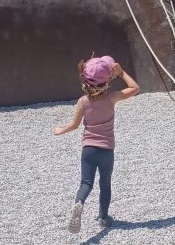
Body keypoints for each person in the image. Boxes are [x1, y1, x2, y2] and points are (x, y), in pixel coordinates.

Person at [53, 55, 140, 233]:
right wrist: (121, 72)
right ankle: (103, 218)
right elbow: (135, 88)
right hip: (106, 151)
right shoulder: (112, 97)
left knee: (86, 183)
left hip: (88, 150)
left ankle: (79, 202)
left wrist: (60, 130)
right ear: (107, 81)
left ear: (85, 81)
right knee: (105, 183)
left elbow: (74, 125)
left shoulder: (83, 102)